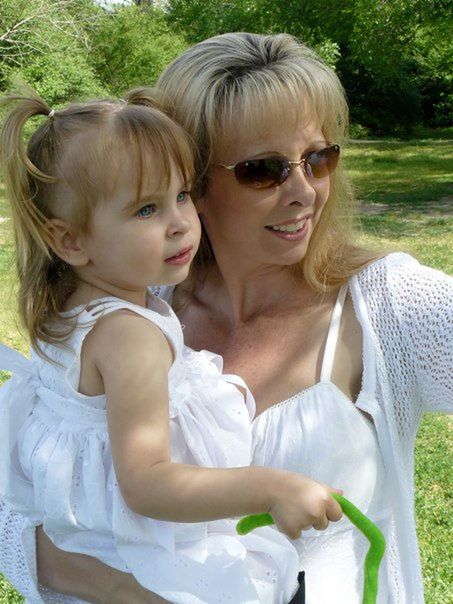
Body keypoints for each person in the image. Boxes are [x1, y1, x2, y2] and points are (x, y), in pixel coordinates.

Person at [0, 32, 451, 604]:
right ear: (194, 177)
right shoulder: (134, 311)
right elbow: (20, 496)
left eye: (319, 157)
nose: (304, 190)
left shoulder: (388, 306)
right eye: (263, 169)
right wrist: (117, 586)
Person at [0, 87, 346, 604]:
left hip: (101, 549)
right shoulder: (130, 337)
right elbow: (148, 484)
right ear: (70, 240)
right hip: (157, 565)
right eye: (146, 210)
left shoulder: (71, 309)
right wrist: (272, 488)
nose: (180, 221)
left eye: (182, 195)